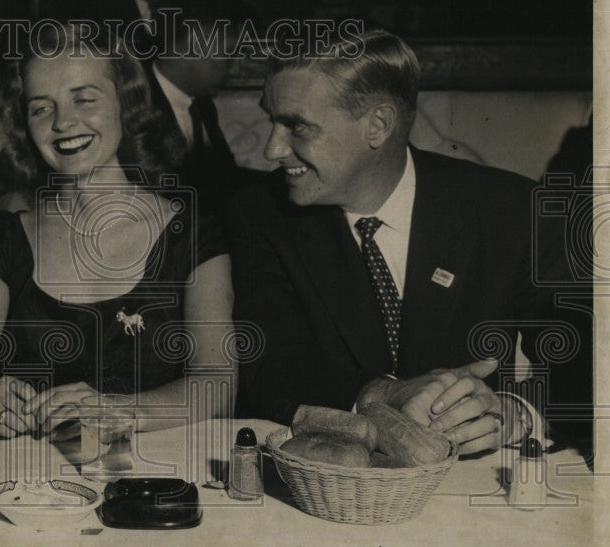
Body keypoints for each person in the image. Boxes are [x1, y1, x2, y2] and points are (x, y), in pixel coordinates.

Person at [229, 28, 591, 455]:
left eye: (297, 127)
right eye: (271, 119)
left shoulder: (513, 211)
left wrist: (518, 412)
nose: (272, 150)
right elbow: (269, 372)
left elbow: (590, 362)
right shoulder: (260, 213)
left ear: (378, 126)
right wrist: (380, 395)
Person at [0, 27, 234, 437]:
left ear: (125, 105)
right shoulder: (4, 239)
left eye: (84, 99)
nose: (63, 122)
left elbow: (218, 383)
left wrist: (118, 411)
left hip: (150, 481)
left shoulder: (193, 235)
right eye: (41, 108)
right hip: (29, 485)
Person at [149, 0, 257, 212]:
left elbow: (224, 180)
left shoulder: (202, 105)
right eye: (230, 54)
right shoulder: (135, 105)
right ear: (196, 41)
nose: (236, 67)